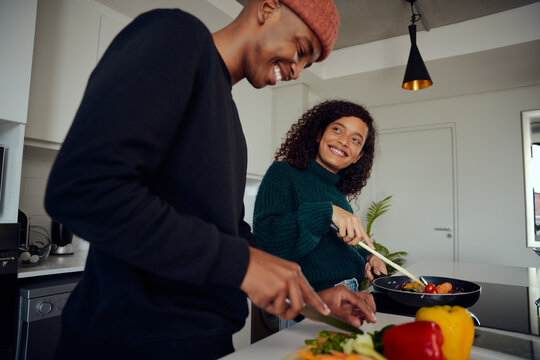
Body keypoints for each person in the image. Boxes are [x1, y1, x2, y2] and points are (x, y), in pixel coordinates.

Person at [44, 1, 376, 359]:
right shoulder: (176, 36)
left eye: (306, 64)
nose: (296, 71)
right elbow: (84, 188)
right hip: (131, 343)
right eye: (299, 49)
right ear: (267, 8)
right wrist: (243, 264)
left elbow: (227, 232)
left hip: (204, 342)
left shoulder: (229, 120)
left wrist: (311, 302)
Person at [253, 100, 388, 294]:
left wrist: (369, 257)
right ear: (319, 134)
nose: (344, 141)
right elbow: (268, 241)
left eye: (355, 140)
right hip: (311, 301)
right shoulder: (283, 173)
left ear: (358, 156)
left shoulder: (337, 193)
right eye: (337, 130)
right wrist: (326, 213)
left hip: (351, 293)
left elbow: (343, 244)